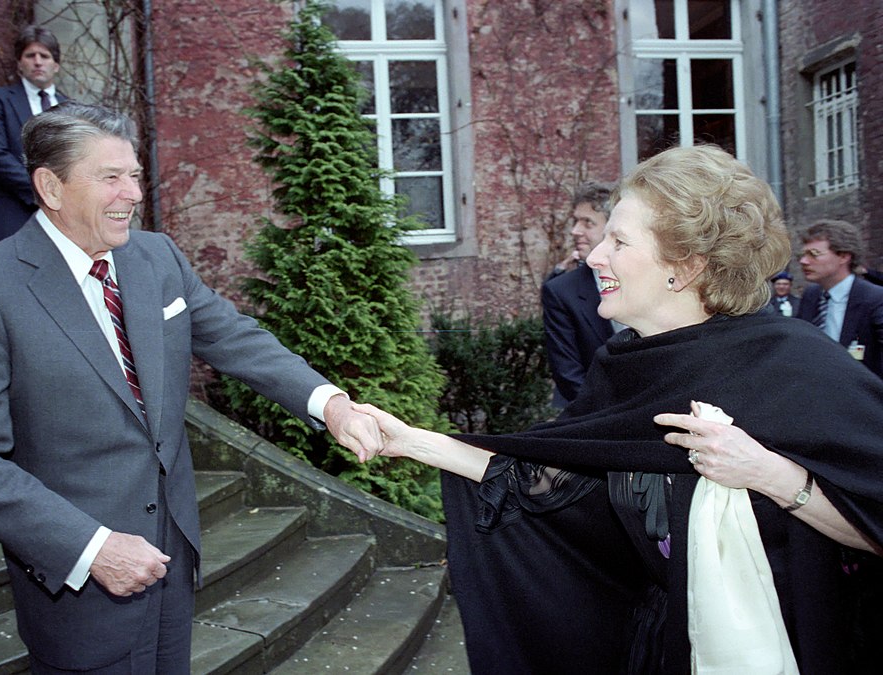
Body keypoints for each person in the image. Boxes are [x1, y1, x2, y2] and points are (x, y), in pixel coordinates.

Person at [357, 145, 883, 673]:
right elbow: (558, 485)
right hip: (663, 649)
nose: (594, 256)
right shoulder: (626, 366)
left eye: (619, 240)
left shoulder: (795, 364)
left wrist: (772, 475)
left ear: (686, 265)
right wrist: (411, 441)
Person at [0, 102, 383, 674]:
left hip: (170, 558)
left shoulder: (156, 256)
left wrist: (332, 405)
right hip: (80, 587)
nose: (133, 194)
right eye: (110, 177)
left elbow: (236, 339)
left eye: (135, 175)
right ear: (50, 186)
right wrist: (92, 548)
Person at [0, 25, 68, 244]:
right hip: (10, 211)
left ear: (56, 65)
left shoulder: (71, 108)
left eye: (44, 56)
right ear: (19, 63)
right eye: (30, 55)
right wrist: (41, 190)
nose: (37, 62)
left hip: (62, 215)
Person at [541, 181, 619, 407]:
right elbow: (568, 375)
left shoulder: (650, 277)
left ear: (613, 228)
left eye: (588, 223)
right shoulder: (561, 292)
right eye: (575, 221)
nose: (575, 231)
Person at [796, 219, 883, 377]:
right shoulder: (811, 295)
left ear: (843, 256)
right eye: (802, 255)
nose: (804, 261)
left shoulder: (875, 299)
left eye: (814, 254)